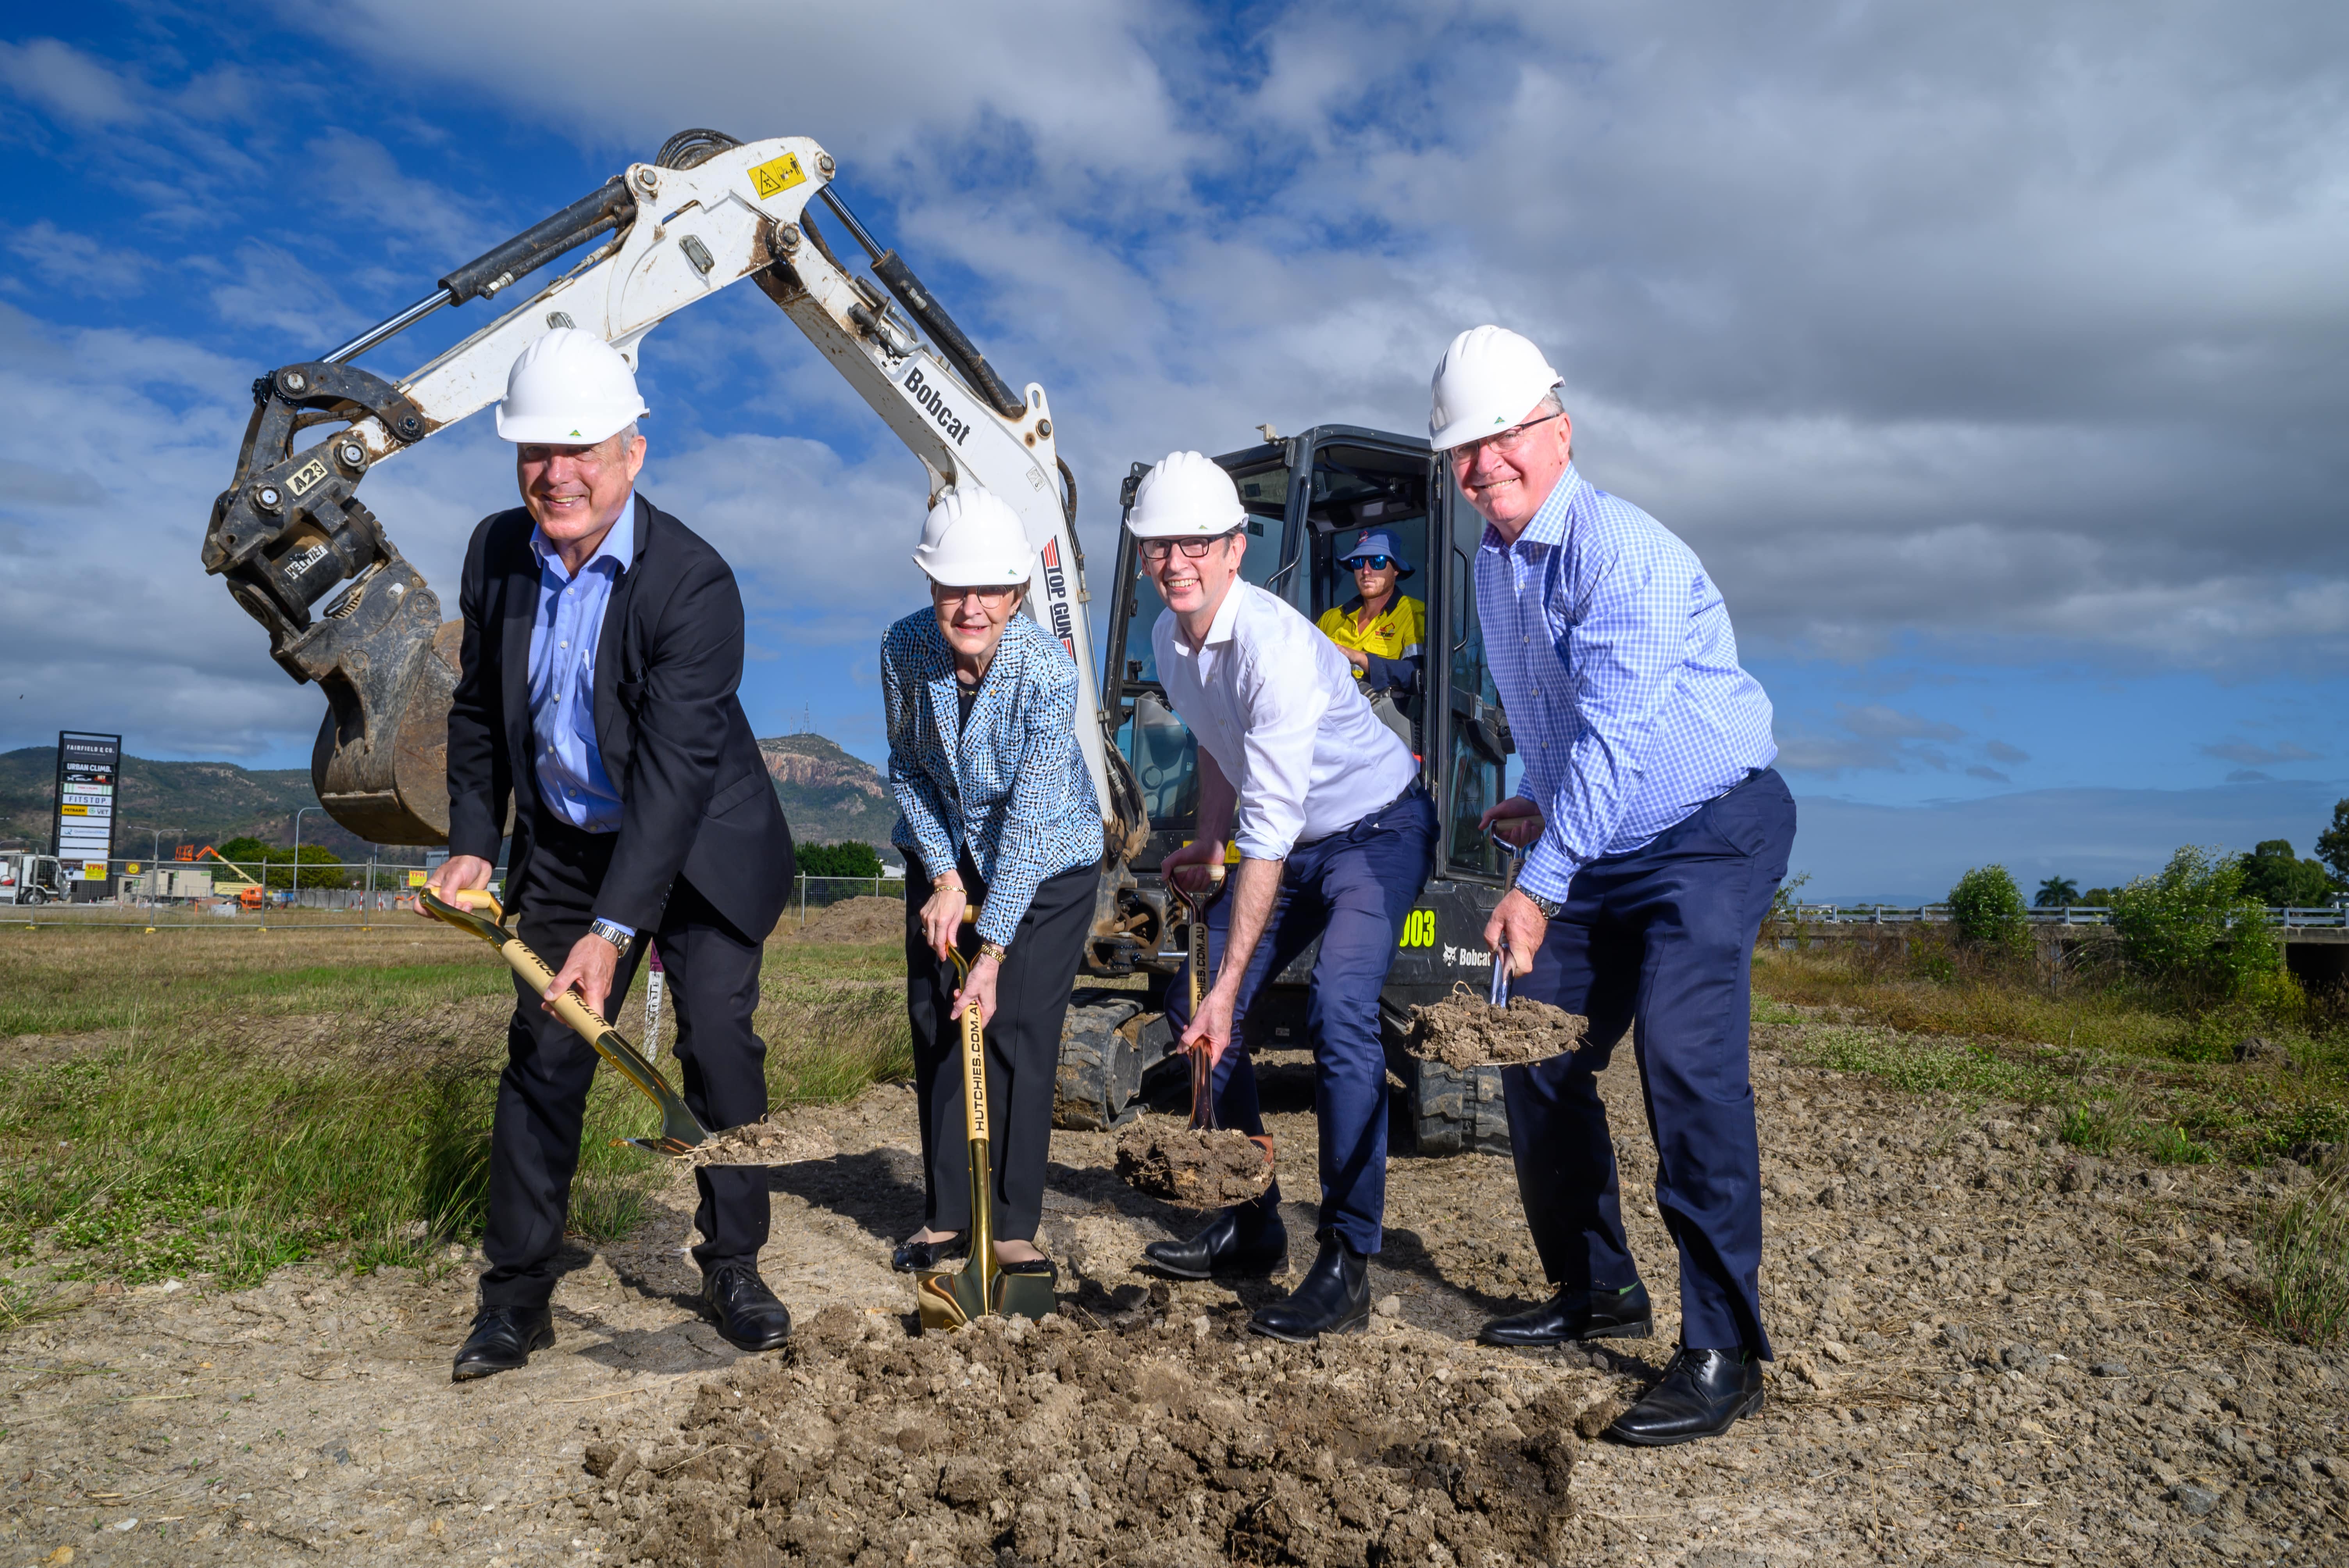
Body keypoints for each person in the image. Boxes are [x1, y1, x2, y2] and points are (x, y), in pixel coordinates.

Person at [1429, 324, 1793, 1446]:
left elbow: (1625, 741)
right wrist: (1544, 803)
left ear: (1559, 431)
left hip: (1709, 830)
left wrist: (1537, 885)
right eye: (1467, 452)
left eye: (1507, 441)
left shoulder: (1621, 554)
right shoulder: (1494, 564)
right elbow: (1561, 725)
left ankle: (1726, 1347)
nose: (1488, 467)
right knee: (1533, 1046)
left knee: (1685, 1064)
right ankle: (1596, 1287)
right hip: (1607, 835)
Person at [424, 328, 797, 1380]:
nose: (559, 472)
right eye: (537, 450)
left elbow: (677, 778)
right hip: (566, 844)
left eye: (583, 448)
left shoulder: (694, 583)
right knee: (545, 1054)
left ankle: (733, 1263)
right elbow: (480, 718)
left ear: (634, 451)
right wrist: (469, 845)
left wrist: (613, 931)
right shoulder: (496, 551)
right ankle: (518, 1293)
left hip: (702, 849)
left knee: (718, 1045)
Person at [1131, 451, 1438, 1342]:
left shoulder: (1274, 646)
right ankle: (1250, 1217)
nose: (1176, 559)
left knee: (1339, 1010)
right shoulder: (1167, 637)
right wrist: (1199, 836)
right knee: (1198, 1009)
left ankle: (1345, 1260)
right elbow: (1217, 744)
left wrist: (1235, 982)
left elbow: (1267, 831)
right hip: (1289, 838)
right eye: (1159, 544)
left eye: (1196, 541)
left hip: (1374, 832)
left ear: (1235, 548)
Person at [882, 489, 1104, 1283]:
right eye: (952, 588)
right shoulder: (902, 649)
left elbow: (1032, 823)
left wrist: (992, 950)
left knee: (1013, 1027)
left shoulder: (1047, 673)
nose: (969, 607)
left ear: (1015, 595)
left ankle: (1010, 1227)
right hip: (946, 847)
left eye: (989, 591)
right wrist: (942, 876)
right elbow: (906, 768)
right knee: (936, 1020)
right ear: (931, 589)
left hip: (1048, 857)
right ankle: (946, 1215)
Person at [1314, 528, 1426, 749]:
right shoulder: (1331, 619)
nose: (1366, 571)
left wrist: (1360, 659)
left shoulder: (1413, 614)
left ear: (1396, 569)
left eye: (1378, 561)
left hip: (1384, 737)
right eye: (1358, 563)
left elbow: (1417, 674)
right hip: (1328, 732)